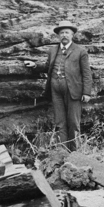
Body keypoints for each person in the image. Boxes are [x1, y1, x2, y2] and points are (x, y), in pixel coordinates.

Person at [22, 20, 94, 152]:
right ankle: (63, 151)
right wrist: (35, 65)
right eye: (61, 33)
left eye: (67, 32)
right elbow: (48, 67)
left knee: (73, 122)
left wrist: (87, 92)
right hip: (56, 91)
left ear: (72, 35)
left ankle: (76, 152)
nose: (64, 35)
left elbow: (87, 73)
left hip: (73, 91)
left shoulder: (80, 51)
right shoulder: (53, 50)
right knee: (60, 122)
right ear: (58, 36)